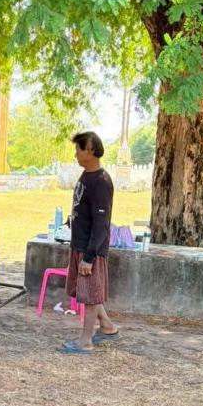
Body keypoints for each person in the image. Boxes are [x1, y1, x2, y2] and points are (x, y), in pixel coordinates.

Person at [61, 130, 120, 354]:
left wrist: (89, 256)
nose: (76, 154)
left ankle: (85, 341)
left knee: (91, 296)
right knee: (87, 290)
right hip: (79, 244)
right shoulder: (86, 176)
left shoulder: (101, 182)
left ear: (91, 150)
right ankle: (107, 327)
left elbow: (101, 223)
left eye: (79, 149)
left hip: (91, 249)